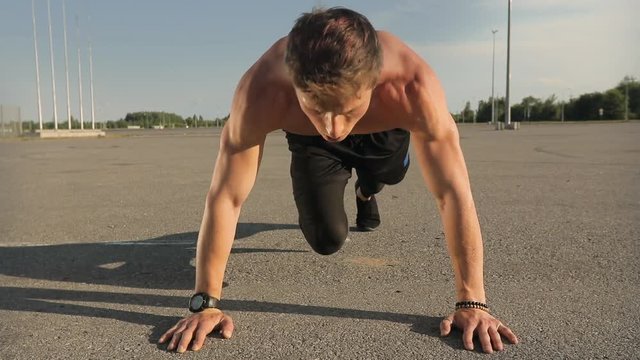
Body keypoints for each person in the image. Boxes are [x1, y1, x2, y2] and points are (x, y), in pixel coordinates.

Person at [159, 7, 518, 354]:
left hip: (384, 132)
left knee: (388, 173)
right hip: (311, 146)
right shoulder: (262, 89)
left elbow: (452, 194)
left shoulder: (411, 85)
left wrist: (473, 302)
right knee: (326, 238)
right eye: (316, 107)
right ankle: (349, 166)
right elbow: (226, 196)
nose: (333, 127)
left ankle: (367, 188)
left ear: (374, 81)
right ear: (293, 81)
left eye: (346, 110)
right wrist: (204, 303)